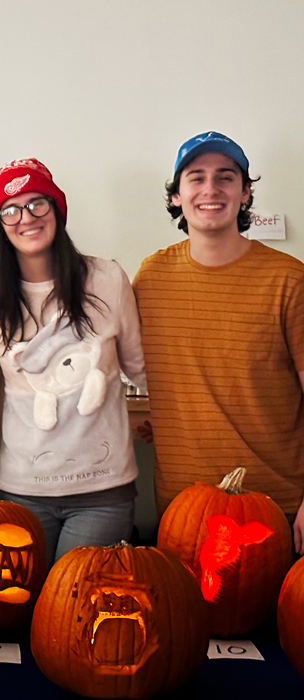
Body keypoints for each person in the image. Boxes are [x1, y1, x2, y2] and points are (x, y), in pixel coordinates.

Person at [132, 132, 304, 553]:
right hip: (182, 513)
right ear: (176, 196)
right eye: (196, 177)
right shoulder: (151, 279)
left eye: (225, 177)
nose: (211, 189)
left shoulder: (289, 280)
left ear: (246, 193)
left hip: (274, 510)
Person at [0, 159, 146, 568]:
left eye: (37, 204)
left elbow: (139, 366)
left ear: (57, 210)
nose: (26, 218)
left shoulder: (107, 279)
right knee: (25, 614)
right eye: (10, 210)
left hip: (103, 490)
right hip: (22, 490)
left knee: (74, 611)